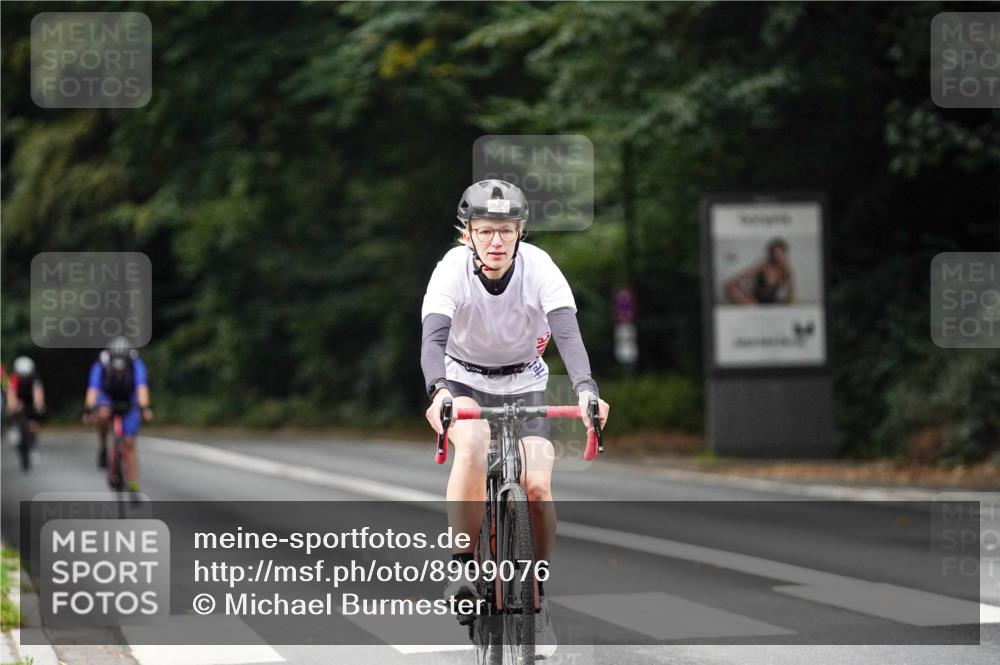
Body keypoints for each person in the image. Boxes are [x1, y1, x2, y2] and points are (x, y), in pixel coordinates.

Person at [421, 179, 610, 658]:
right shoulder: (450, 271)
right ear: (468, 234)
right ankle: (464, 567)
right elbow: (432, 342)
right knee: (473, 441)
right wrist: (439, 390)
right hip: (463, 378)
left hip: (525, 381)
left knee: (539, 485)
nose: (497, 242)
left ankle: (536, 595)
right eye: (485, 232)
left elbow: (567, 333)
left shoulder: (540, 267)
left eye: (506, 231)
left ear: (520, 231)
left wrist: (587, 390)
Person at [83, 337, 153, 493]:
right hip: (108, 397)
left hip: (129, 399)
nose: (119, 370)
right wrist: (88, 410)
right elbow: (93, 389)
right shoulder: (101, 364)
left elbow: (142, 388)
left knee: (129, 443)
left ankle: (133, 481)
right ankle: (103, 446)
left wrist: (144, 408)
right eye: (116, 367)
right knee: (102, 414)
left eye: (122, 367)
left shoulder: (136, 364)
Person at [724, 237, 795, 305]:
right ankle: (755, 308)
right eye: (775, 254)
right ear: (771, 254)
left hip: (772, 303)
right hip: (755, 302)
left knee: (790, 302)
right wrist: (745, 296)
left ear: (784, 255)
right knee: (730, 287)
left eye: (780, 254)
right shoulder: (762, 266)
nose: (777, 257)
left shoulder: (785, 270)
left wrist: (789, 276)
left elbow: (790, 296)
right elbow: (735, 280)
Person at [6, 356, 46, 467]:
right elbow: (11, 394)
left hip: (31, 404)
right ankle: (16, 433)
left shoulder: (35, 378)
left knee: (33, 426)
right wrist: (12, 405)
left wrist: (39, 405)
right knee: (19, 425)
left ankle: (33, 445)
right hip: (19, 404)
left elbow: (38, 393)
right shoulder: (14, 378)